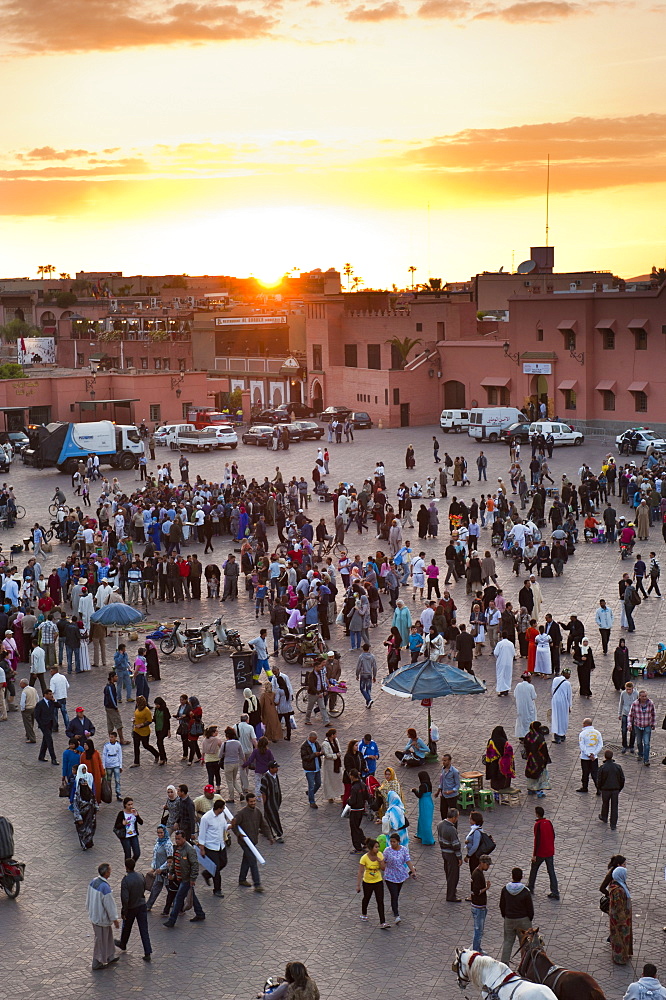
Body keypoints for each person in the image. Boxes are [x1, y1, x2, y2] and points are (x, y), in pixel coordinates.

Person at [230, 792, 274, 893]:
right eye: (251, 802)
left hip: (253, 841)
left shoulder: (257, 812)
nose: (253, 803)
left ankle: (242, 879)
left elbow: (264, 825)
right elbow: (233, 824)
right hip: (245, 842)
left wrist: (270, 836)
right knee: (252, 861)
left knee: (246, 859)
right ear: (247, 802)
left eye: (254, 801)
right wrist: (238, 834)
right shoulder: (241, 813)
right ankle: (257, 884)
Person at [162, 829, 207, 925]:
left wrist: (192, 879)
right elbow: (175, 862)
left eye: (179, 839)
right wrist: (171, 872)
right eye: (176, 839)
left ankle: (172, 920)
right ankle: (200, 913)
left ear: (184, 838)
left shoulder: (189, 850)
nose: (177, 841)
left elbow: (194, 865)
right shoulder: (177, 848)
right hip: (179, 877)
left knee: (178, 898)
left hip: (186, 879)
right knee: (192, 896)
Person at [114, 857, 152, 962]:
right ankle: (147, 951)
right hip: (141, 905)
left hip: (131, 907)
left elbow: (125, 898)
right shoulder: (140, 875)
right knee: (144, 929)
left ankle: (123, 943)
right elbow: (144, 887)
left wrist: (123, 911)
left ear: (126, 867)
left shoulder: (126, 880)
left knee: (126, 927)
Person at [86, 862, 120, 971]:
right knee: (100, 940)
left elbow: (88, 898)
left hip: (95, 915)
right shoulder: (105, 888)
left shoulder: (93, 882)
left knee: (108, 936)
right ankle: (96, 962)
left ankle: (110, 956)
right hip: (101, 918)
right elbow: (110, 905)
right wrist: (115, 919)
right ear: (106, 873)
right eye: (109, 870)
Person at [499, 866, 534, 964]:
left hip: (509, 919)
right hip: (523, 920)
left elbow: (502, 905)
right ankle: (525, 965)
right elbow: (530, 907)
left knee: (508, 942)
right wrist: (529, 919)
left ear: (512, 876)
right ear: (521, 877)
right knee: (525, 944)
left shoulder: (505, 889)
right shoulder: (525, 891)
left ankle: (504, 965)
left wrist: (505, 916)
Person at [383, 831, 416, 924]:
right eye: (391, 842)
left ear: (398, 841)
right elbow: (383, 862)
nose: (392, 843)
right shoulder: (387, 850)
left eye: (394, 842)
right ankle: (396, 915)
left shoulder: (404, 850)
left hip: (401, 875)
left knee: (396, 894)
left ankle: (394, 907)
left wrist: (413, 871)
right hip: (390, 876)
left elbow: (408, 861)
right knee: (394, 895)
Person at [356, 837, 390, 929]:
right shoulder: (364, 858)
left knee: (380, 901)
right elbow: (360, 872)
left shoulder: (380, 855)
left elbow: (383, 869)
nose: (378, 849)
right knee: (366, 898)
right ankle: (364, 913)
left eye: (378, 847)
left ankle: (383, 922)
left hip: (378, 881)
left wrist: (380, 862)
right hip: (367, 882)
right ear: (371, 848)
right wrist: (358, 885)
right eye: (376, 847)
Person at [198, 799, 228, 897]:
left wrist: (231, 826)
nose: (224, 809)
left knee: (223, 863)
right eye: (223, 808)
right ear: (218, 808)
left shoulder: (221, 815)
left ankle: (207, 874)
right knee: (216, 869)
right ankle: (217, 889)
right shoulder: (206, 818)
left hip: (220, 845)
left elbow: (224, 826)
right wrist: (202, 848)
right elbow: (202, 833)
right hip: (210, 847)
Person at [527, 806, 559, 899]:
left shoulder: (538, 825)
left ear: (537, 814)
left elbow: (537, 840)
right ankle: (555, 891)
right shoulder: (548, 822)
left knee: (534, 868)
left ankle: (531, 886)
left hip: (541, 852)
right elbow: (553, 835)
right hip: (549, 851)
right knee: (551, 871)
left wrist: (534, 855)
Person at [145, 825, 173, 912]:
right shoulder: (158, 842)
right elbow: (155, 856)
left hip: (165, 871)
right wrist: (154, 867)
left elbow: (170, 860)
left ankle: (178, 905)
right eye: (158, 833)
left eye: (161, 832)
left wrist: (161, 868)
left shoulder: (168, 844)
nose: (159, 834)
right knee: (156, 888)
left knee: (170, 889)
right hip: (159, 871)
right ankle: (148, 905)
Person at [609, 865, 633, 965]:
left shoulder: (615, 884)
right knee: (620, 938)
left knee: (618, 937)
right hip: (620, 919)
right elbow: (619, 907)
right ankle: (620, 958)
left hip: (617, 917)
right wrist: (623, 920)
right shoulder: (618, 890)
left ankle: (623, 955)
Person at [437, 806, 462, 903]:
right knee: (453, 875)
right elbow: (456, 845)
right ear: (454, 817)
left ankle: (451, 891)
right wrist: (459, 857)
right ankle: (451, 895)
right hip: (451, 854)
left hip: (444, 852)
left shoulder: (440, 824)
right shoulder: (452, 829)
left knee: (448, 873)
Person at [72, 763, 98, 850]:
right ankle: (83, 844)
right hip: (82, 816)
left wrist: (95, 809)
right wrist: (78, 818)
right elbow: (75, 807)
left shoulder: (90, 794)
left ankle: (89, 841)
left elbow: (94, 802)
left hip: (90, 816)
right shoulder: (77, 796)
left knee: (90, 829)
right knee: (82, 831)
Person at [597, 749, 625, 831]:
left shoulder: (602, 768)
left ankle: (604, 816)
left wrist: (600, 788)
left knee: (605, 803)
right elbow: (622, 779)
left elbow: (599, 779)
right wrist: (619, 788)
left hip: (605, 789)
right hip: (615, 789)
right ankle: (613, 824)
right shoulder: (618, 767)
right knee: (614, 806)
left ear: (605, 757)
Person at [627, 688, 656, 766]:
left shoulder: (650, 703)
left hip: (647, 726)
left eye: (646, 696)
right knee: (639, 742)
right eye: (643, 696)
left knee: (646, 743)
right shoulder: (635, 704)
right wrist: (629, 724)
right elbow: (630, 715)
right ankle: (640, 753)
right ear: (639, 697)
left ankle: (646, 760)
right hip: (638, 726)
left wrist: (653, 723)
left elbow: (653, 714)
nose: (644, 698)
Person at [130, 695, 160, 767]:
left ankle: (156, 754)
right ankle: (136, 762)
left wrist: (141, 724)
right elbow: (137, 715)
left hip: (144, 731)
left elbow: (149, 721)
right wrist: (134, 719)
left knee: (145, 745)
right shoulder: (137, 708)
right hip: (136, 730)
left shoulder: (146, 710)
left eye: (137, 702)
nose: (136, 703)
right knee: (136, 746)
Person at [471, 854, 492, 953]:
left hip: (480, 906)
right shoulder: (477, 874)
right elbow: (476, 892)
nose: (488, 867)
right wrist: (486, 888)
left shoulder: (479, 872)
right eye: (487, 865)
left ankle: (477, 948)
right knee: (478, 930)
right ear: (482, 863)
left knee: (479, 930)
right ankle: (476, 950)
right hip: (478, 907)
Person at [524, 721, 551, 798]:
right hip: (539, 759)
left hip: (530, 758)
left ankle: (531, 789)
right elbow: (544, 749)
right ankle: (539, 791)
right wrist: (546, 759)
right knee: (540, 774)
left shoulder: (527, 736)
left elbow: (526, 747)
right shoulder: (540, 737)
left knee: (531, 773)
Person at [484, 727, 515, 792]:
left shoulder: (491, 741)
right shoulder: (505, 742)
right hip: (504, 764)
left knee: (495, 779)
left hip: (494, 764)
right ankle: (503, 791)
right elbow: (510, 754)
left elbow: (489, 753)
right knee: (503, 780)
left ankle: (496, 794)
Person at [577, 718, 603, 793]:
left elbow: (582, 746)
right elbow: (600, 745)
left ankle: (585, 787)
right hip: (594, 758)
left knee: (585, 773)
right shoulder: (598, 733)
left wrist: (588, 754)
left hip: (585, 757)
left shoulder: (582, 734)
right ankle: (598, 788)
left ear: (586, 724)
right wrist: (594, 754)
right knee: (595, 773)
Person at [260, 760, 284, 842]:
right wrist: (265, 802)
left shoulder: (275, 775)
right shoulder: (265, 778)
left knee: (268, 815)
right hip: (270, 801)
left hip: (276, 798)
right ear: (270, 768)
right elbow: (263, 792)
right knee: (273, 816)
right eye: (275, 768)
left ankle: (264, 829)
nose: (277, 769)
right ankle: (278, 833)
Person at [113, 796, 143, 861]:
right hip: (125, 836)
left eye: (132, 804)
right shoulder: (121, 814)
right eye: (129, 805)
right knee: (127, 853)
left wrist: (137, 816)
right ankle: (128, 867)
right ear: (125, 805)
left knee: (137, 853)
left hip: (134, 835)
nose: (131, 806)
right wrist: (123, 824)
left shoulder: (134, 811)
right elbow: (116, 826)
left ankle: (131, 864)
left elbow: (141, 822)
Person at [34, 688, 58, 764]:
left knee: (46, 740)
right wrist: (41, 724)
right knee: (49, 741)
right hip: (44, 725)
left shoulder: (51, 702)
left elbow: (59, 706)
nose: (51, 696)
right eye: (50, 694)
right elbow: (37, 716)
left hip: (50, 724)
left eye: (52, 694)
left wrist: (54, 700)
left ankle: (41, 755)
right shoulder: (40, 704)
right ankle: (53, 758)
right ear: (45, 695)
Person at [300, 731, 323, 808]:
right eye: (313, 739)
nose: (315, 741)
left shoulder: (316, 744)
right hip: (309, 769)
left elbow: (319, 750)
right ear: (309, 738)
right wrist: (314, 755)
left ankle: (310, 793)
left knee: (318, 783)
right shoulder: (304, 746)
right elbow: (304, 758)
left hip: (316, 767)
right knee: (311, 786)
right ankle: (312, 801)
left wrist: (321, 753)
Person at [411, 771, 435, 845]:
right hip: (429, 802)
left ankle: (427, 839)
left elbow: (419, 795)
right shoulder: (429, 784)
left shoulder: (422, 786)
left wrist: (414, 791)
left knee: (424, 820)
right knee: (427, 820)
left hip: (424, 803)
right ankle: (421, 835)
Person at [550, 669, 573, 744]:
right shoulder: (567, 683)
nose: (569, 676)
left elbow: (552, 690)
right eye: (568, 674)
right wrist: (569, 706)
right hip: (563, 702)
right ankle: (561, 734)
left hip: (555, 700)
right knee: (563, 718)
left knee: (556, 717)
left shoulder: (555, 679)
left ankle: (557, 735)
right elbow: (569, 695)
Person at [435, 753, 461, 818]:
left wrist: (451, 791)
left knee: (453, 814)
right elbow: (442, 782)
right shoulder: (443, 770)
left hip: (452, 796)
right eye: (443, 760)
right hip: (444, 795)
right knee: (443, 812)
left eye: (445, 760)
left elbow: (457, 785)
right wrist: (438, 791)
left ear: (449, 761)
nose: (443, 762)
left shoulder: (454, 772)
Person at [513, 673, 536, 739]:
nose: (531, 679)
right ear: (526, 678)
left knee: (521, 721)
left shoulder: (518, 685)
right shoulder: (531, 686)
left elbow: (515, 694)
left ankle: (521, 735)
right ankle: (528, 735)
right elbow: (534, 696)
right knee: (529, 721)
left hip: (520, 707)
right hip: (529, 707)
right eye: (529, 678)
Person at [619, 681, 638, 754]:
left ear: (632, 688)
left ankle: (631, 746)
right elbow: (621, 703)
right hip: (625, 714)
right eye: (627, 689)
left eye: (629, 689)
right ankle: (624, 745)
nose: (628, 691)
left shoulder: (636, 694)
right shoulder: (623, 693)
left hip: (634, 715)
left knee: (633, 732)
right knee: (624, 730)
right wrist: (619, 713)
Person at [356, 643, 377, 707]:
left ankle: (368, 699)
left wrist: (357, 674)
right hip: (369, 674)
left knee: (362, 689)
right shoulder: (372, 657)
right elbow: (375, 667)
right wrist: (374, 676)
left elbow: (358, 667)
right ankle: (368, 703)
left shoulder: (361, 657)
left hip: (363, 674)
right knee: (368, 689)